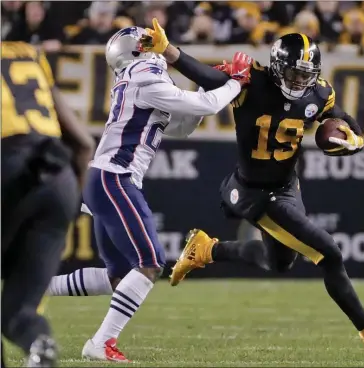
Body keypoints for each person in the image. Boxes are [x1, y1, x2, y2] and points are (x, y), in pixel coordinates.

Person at [146, 19, 364, 359]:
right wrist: (169, 51)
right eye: (294, 74)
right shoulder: (252, 81)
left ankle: (207, 250)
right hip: (255, 194)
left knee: (280, 262)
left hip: (287, 187)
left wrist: (353, 141)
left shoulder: (319, 92)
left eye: (306, 75)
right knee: (328, 253)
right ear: (276, 68)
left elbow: (347, 121)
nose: (300, 81)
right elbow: (207, 76)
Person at [46, 26, 252, 362]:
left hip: (107, 178)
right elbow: (209, 105)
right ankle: (100, 343)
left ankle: (35, 287)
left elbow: (184, 126)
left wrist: (205, 83)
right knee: (150, 264)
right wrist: (236, 82)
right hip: (116, 178)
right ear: (138, 52)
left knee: (117, 275)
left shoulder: (136, 82)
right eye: (150, 46)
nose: (158, 51)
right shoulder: (145, 80)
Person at [1, 41, 94, 367]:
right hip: (58, 175)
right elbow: (84, 144)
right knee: (18, 311)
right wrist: (66, 207)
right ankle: (40, 346)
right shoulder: (28, 52)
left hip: (6, 166)